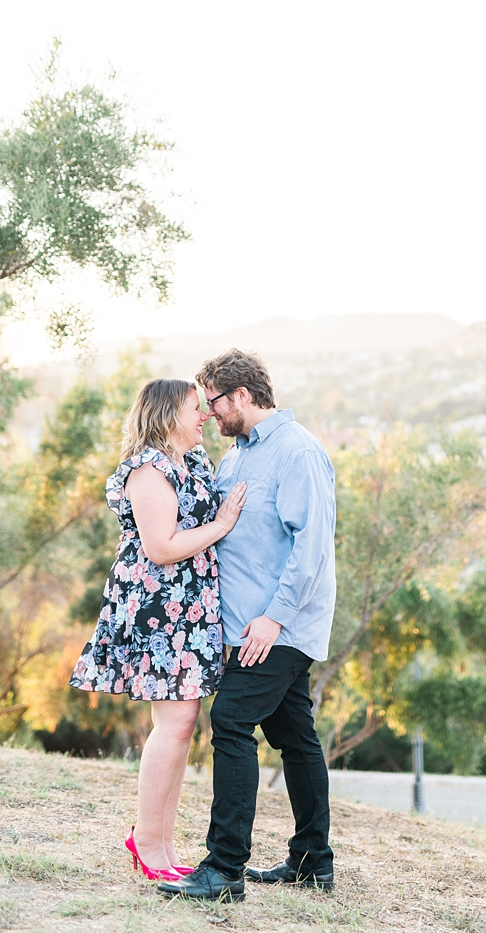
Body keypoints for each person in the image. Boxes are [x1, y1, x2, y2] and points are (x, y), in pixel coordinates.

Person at [159, 349, 338, 903]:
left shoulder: (297, 452)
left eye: (213, 401)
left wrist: (273, 619)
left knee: (231, 722)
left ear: (241, 396)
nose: (209, 414)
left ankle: (224, 869)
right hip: (244, 629)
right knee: (294, 735)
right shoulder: (235, 458)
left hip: (276, 629)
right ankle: (313, 862)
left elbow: (310, 552)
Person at [69, 378, 247, 881]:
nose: (206, 416)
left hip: (187, 609)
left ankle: (163, 844)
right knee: (174, 724)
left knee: (183, 725)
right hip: (158, 608)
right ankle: (146, 840)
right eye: (196, 408)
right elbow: (160, 547)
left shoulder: (192, 462)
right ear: (169, 414)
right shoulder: (150, 468)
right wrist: (222, 524)